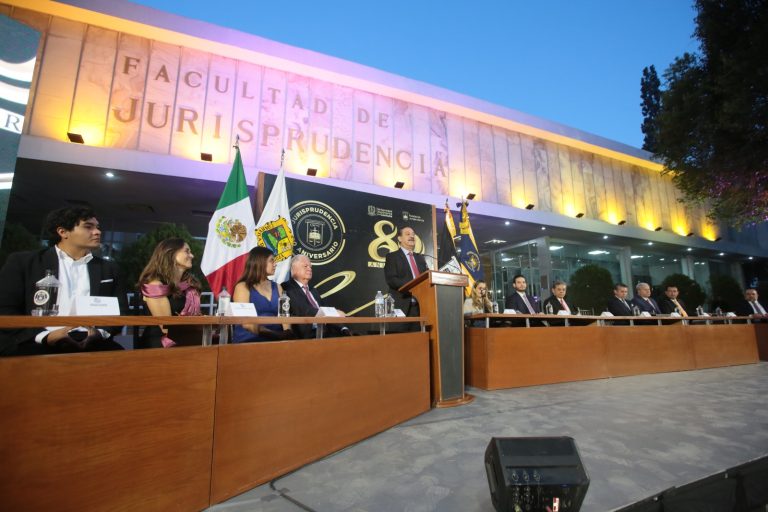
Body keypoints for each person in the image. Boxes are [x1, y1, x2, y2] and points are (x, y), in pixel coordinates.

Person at [0, 206, 126, 356]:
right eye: (88, 227)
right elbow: (6, 309)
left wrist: (99, 333)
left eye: (97, 227)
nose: (97, 232)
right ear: (63, 232)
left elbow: (121, 311)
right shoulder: (24, 262)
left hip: (94, 341)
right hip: (36, 340)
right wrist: (45, 336)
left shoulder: (110, 268)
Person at [137, 238, 202, 348]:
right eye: (187, 251)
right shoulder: (155, 285)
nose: (192, 256)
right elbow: (166, 327)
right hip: (160, 345)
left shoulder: (188, 286)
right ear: (170, 253)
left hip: (187, 340)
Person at [281, 254, 352, 338]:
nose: (309, 269)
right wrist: (335, 313)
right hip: (305, 336)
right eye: (305, 266)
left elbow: (323, 308)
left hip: (325, 332)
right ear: (294, 269)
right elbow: (303, 309)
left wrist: (343, 328)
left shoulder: (313, 290)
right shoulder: (287, 287)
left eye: (310, 267)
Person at [232, 246, 292, 342]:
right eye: (271, 261)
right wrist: (274, 335)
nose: (275, 264)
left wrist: (287, 335)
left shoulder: (278, 287)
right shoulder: (242, 287)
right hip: (249, 340)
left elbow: (284, 316)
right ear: (260, 262)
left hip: (277, 340)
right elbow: (247, 323)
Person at [384, 226, 428, 318]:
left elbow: (426, 278)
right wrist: (413, 288)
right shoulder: (392, 257)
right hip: (401, 306)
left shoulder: (420, 258)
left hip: (421, 307)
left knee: (420, 333)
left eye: (413, 235)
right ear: (399, 238)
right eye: (408, 234)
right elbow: (392, 280)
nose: (411, 236)